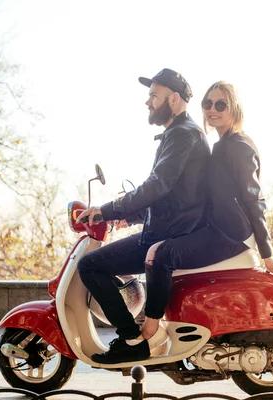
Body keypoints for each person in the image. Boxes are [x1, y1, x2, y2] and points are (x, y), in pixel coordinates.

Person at [76, 68, 210, 364]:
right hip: (165, 229)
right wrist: (131, 215)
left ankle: (132, 339)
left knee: (90, 265)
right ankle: (133, 335)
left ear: (174, 100)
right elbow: (171, 193)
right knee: (96, 265)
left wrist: (107, 209)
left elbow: (158, 185)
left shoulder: (182, 135)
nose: (148, 102)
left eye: (153, 96)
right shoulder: (178, 134)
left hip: (169, 236)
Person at [141, 81, 273, 340]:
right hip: (216, 229)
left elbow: (255, 200)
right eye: (207, 104)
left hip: (230, 234)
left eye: (220, 104)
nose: (212, 110)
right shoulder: (219, 146)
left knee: (163, 256)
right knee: (160, 250)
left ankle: (150, 330)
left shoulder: (239, 147)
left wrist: (267, 253)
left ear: (235, 109)